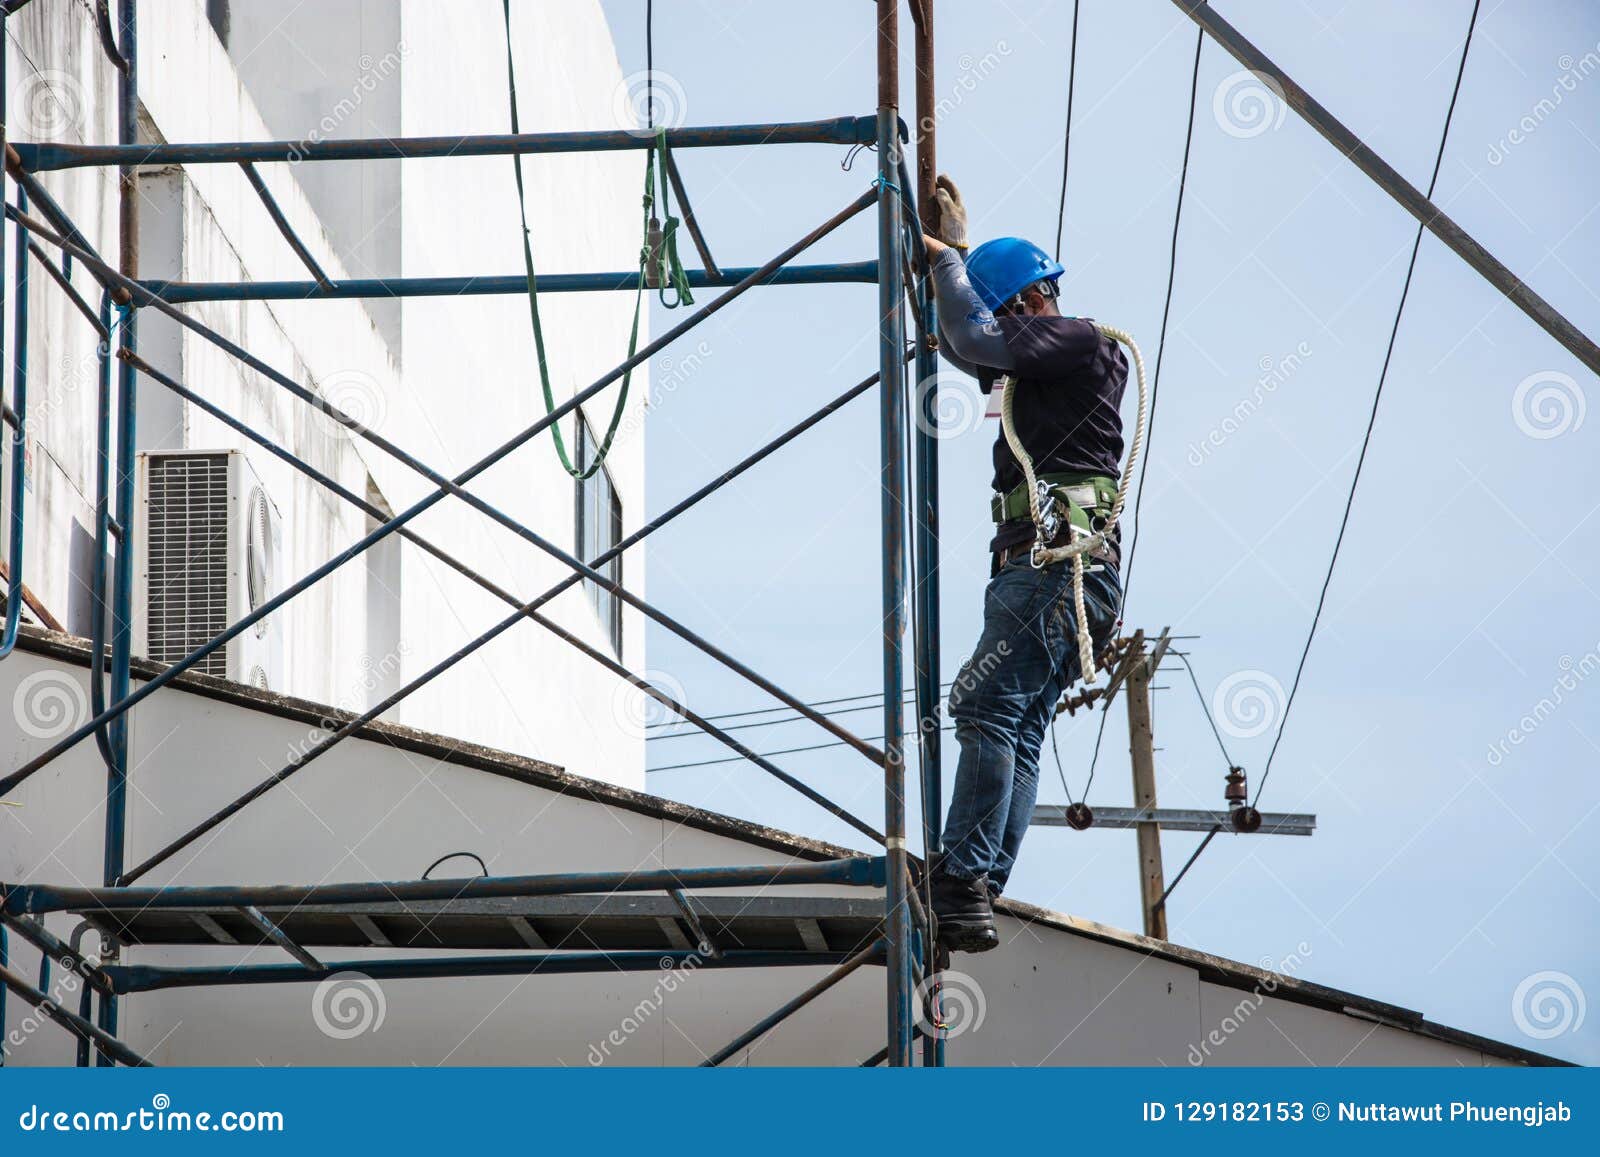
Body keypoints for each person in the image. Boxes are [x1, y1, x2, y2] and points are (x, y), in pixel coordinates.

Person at [922, 175, 1127, 952]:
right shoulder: (1048, 363)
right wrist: (960, 262)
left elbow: (975, 337)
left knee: (984, 706)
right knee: (1019, 720)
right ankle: (976, 885)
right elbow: (966, 341)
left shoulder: (1078, 338)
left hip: (1054, 569)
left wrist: (947, 265)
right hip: (1063, 572)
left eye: (1009, 308)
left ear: (1030, 304)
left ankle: (966, 877)